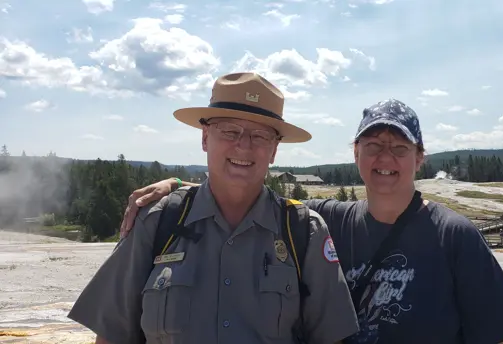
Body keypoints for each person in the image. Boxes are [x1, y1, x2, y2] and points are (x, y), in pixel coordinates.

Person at [119, 99, 503, 343]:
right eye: (373, 145)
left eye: (398, 147)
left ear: (420, 158)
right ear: (355, 153)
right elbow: (251, 193)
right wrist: (179, 185)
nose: (384, 158)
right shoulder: (325, 221)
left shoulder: (454, 236)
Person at [67, 72, 359, 344]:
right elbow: (111, 335)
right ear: (205, 138)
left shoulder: (303, 231)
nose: (243, 145)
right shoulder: (157, 222)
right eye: (229, 131)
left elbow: (331, 337)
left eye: (260, 136)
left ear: (274, 150)